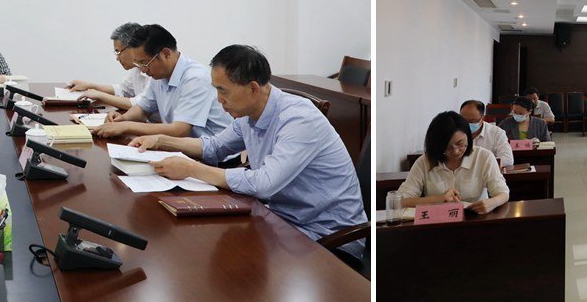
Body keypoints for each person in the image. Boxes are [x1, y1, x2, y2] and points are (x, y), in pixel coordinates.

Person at [129, 45, 366, 256]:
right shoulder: (249, 113)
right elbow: (215, 147)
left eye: (223, 91)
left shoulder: (299, 120)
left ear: (253, 88)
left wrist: (191, 169)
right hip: (283, 222)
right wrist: (161, 141)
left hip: (328, 238)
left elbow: (264, 184)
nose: (219, 100)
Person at [93, 24, 232, 139]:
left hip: (214, 156)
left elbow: (180, 130)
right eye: (138, 64)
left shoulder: (195, 78)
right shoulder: (159, 75)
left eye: (144, 63)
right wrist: (122, 119)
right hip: (182, 148)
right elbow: (143, 109)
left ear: (166, 54)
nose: (143, 70)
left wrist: (126, 126)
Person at [394, 111, 510, 214]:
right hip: (438, 222)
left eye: (460, 143)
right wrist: (438, 199)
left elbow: (503, 193)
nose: (455, 151)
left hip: (475, 221)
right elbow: (401, 201)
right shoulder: (425, 162)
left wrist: (491, 203)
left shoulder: (483, 157)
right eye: (447, 147)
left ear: (468, 136)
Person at [65, 22, 150, 112]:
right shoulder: (136, 69)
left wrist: (100, 95)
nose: (117, 58)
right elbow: (122, 90)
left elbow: (140, 104)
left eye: (118, 52)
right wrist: (89, 85)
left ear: (132, 47)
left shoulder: (154, 71)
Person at [459, 100, 514, 167]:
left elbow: (508, 160)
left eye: (472, 121)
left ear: (483, 118)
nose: (467, 124)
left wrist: (480, 163)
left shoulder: (496, 133)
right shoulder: (454, 132)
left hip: (487, 172)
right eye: (463, 120)